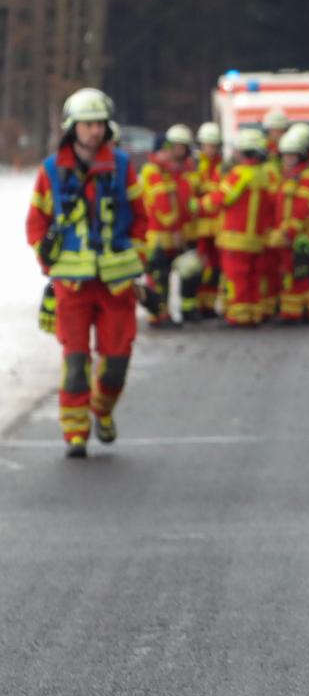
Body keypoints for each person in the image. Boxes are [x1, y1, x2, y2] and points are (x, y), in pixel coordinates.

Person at [25, 88, 146, 457]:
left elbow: (141, 218)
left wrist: (136, 259)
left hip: (116, 284)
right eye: (87, 124)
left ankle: (102, 410)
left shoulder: (122, 167)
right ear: (72, 128)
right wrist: (47, 258)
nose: (95, 131)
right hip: (72, 286)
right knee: (75, 363)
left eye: (99, 124)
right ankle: (75, 433)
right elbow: (36, 222)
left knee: (115, 365)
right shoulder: (51, 171)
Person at [136, 124, 196, 327]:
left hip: (166, 237)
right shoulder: (153, 172)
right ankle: (158, 315)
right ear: (158, 152)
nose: (171, 154)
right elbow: (163, 208)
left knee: (164, 277)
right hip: (157, 238)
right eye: (167, 150)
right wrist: (175, 228)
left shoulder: (165, 172)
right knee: (158, 278)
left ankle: (164, 312)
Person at [215, 127, 275, 327]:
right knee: (254, 277)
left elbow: (222, 198)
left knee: (237, 277)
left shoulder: (240, 174)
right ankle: (254, 314)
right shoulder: (264, 174)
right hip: (256, 238)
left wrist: (196, 205)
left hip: (236, 238)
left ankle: (239, 316)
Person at [276, 123, 309, 324]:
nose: (288, 159)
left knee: (298, 274)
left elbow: (302, 208)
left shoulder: (305, 177)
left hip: (299, 235)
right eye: (285, 155)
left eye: (292, 156)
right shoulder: (285, 176)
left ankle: (296, 313)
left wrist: (290, 230)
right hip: (285, 233)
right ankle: (299, 310)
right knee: (290, 273)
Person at [186, 121, 224, 321]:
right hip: (199, 226)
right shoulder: (194, 165)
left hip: (216, 226)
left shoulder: (222, 166)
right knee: (199, 267)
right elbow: (190, 190)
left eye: (214, 145)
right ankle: (197, 304)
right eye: (208, 145)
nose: (211, 149)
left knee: (216, 267)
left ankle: (209, 304)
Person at [259, 107, 290, 320]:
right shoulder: (263, 153)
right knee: (267, 266)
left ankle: (282, 304)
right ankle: (267, 306)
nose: (277, 134)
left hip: (286, 214)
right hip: (267, 216)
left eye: (280, 130)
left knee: (285, 265)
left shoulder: (292, 150)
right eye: (273, 130)